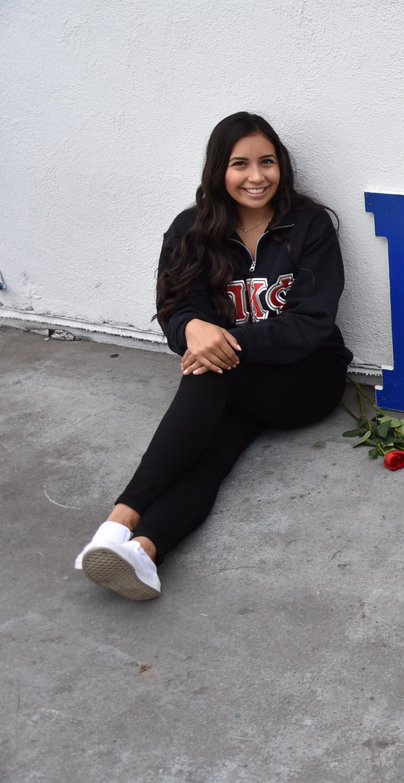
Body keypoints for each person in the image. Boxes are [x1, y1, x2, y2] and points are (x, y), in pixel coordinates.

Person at [74, 112, 352, 600]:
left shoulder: (309, 226)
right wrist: (193, 327)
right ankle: (142, 551)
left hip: (307, 379)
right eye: (240, 164)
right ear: (218, 171)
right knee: (211, 456)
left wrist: (217, 342)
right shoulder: (191, 229)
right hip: (240, 378)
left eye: (267, 162)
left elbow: (312, 324)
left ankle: (118, 519)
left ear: (281, 166)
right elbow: (176, 310)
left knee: (209, 374)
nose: (256, 176)